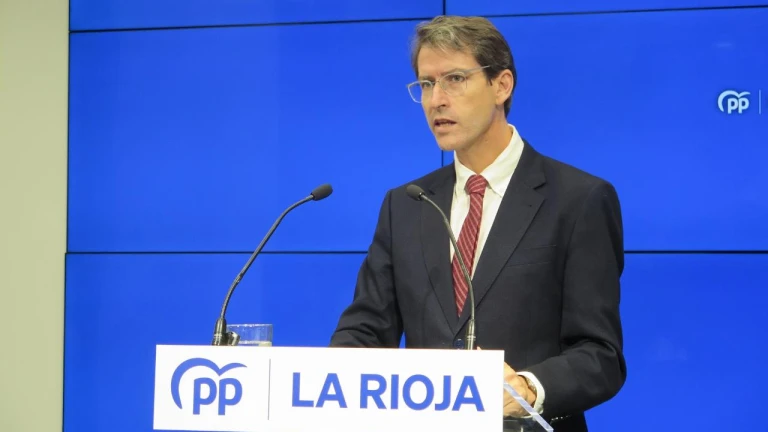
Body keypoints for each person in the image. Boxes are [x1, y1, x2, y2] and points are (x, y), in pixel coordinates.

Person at [330, 15, 626, 432]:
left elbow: (600, 355)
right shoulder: (407, 204)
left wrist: (527, 389)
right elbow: (365, 331)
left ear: (501, 85)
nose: (436, 100)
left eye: (454, 79)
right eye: (426, 84)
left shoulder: (578, 200)